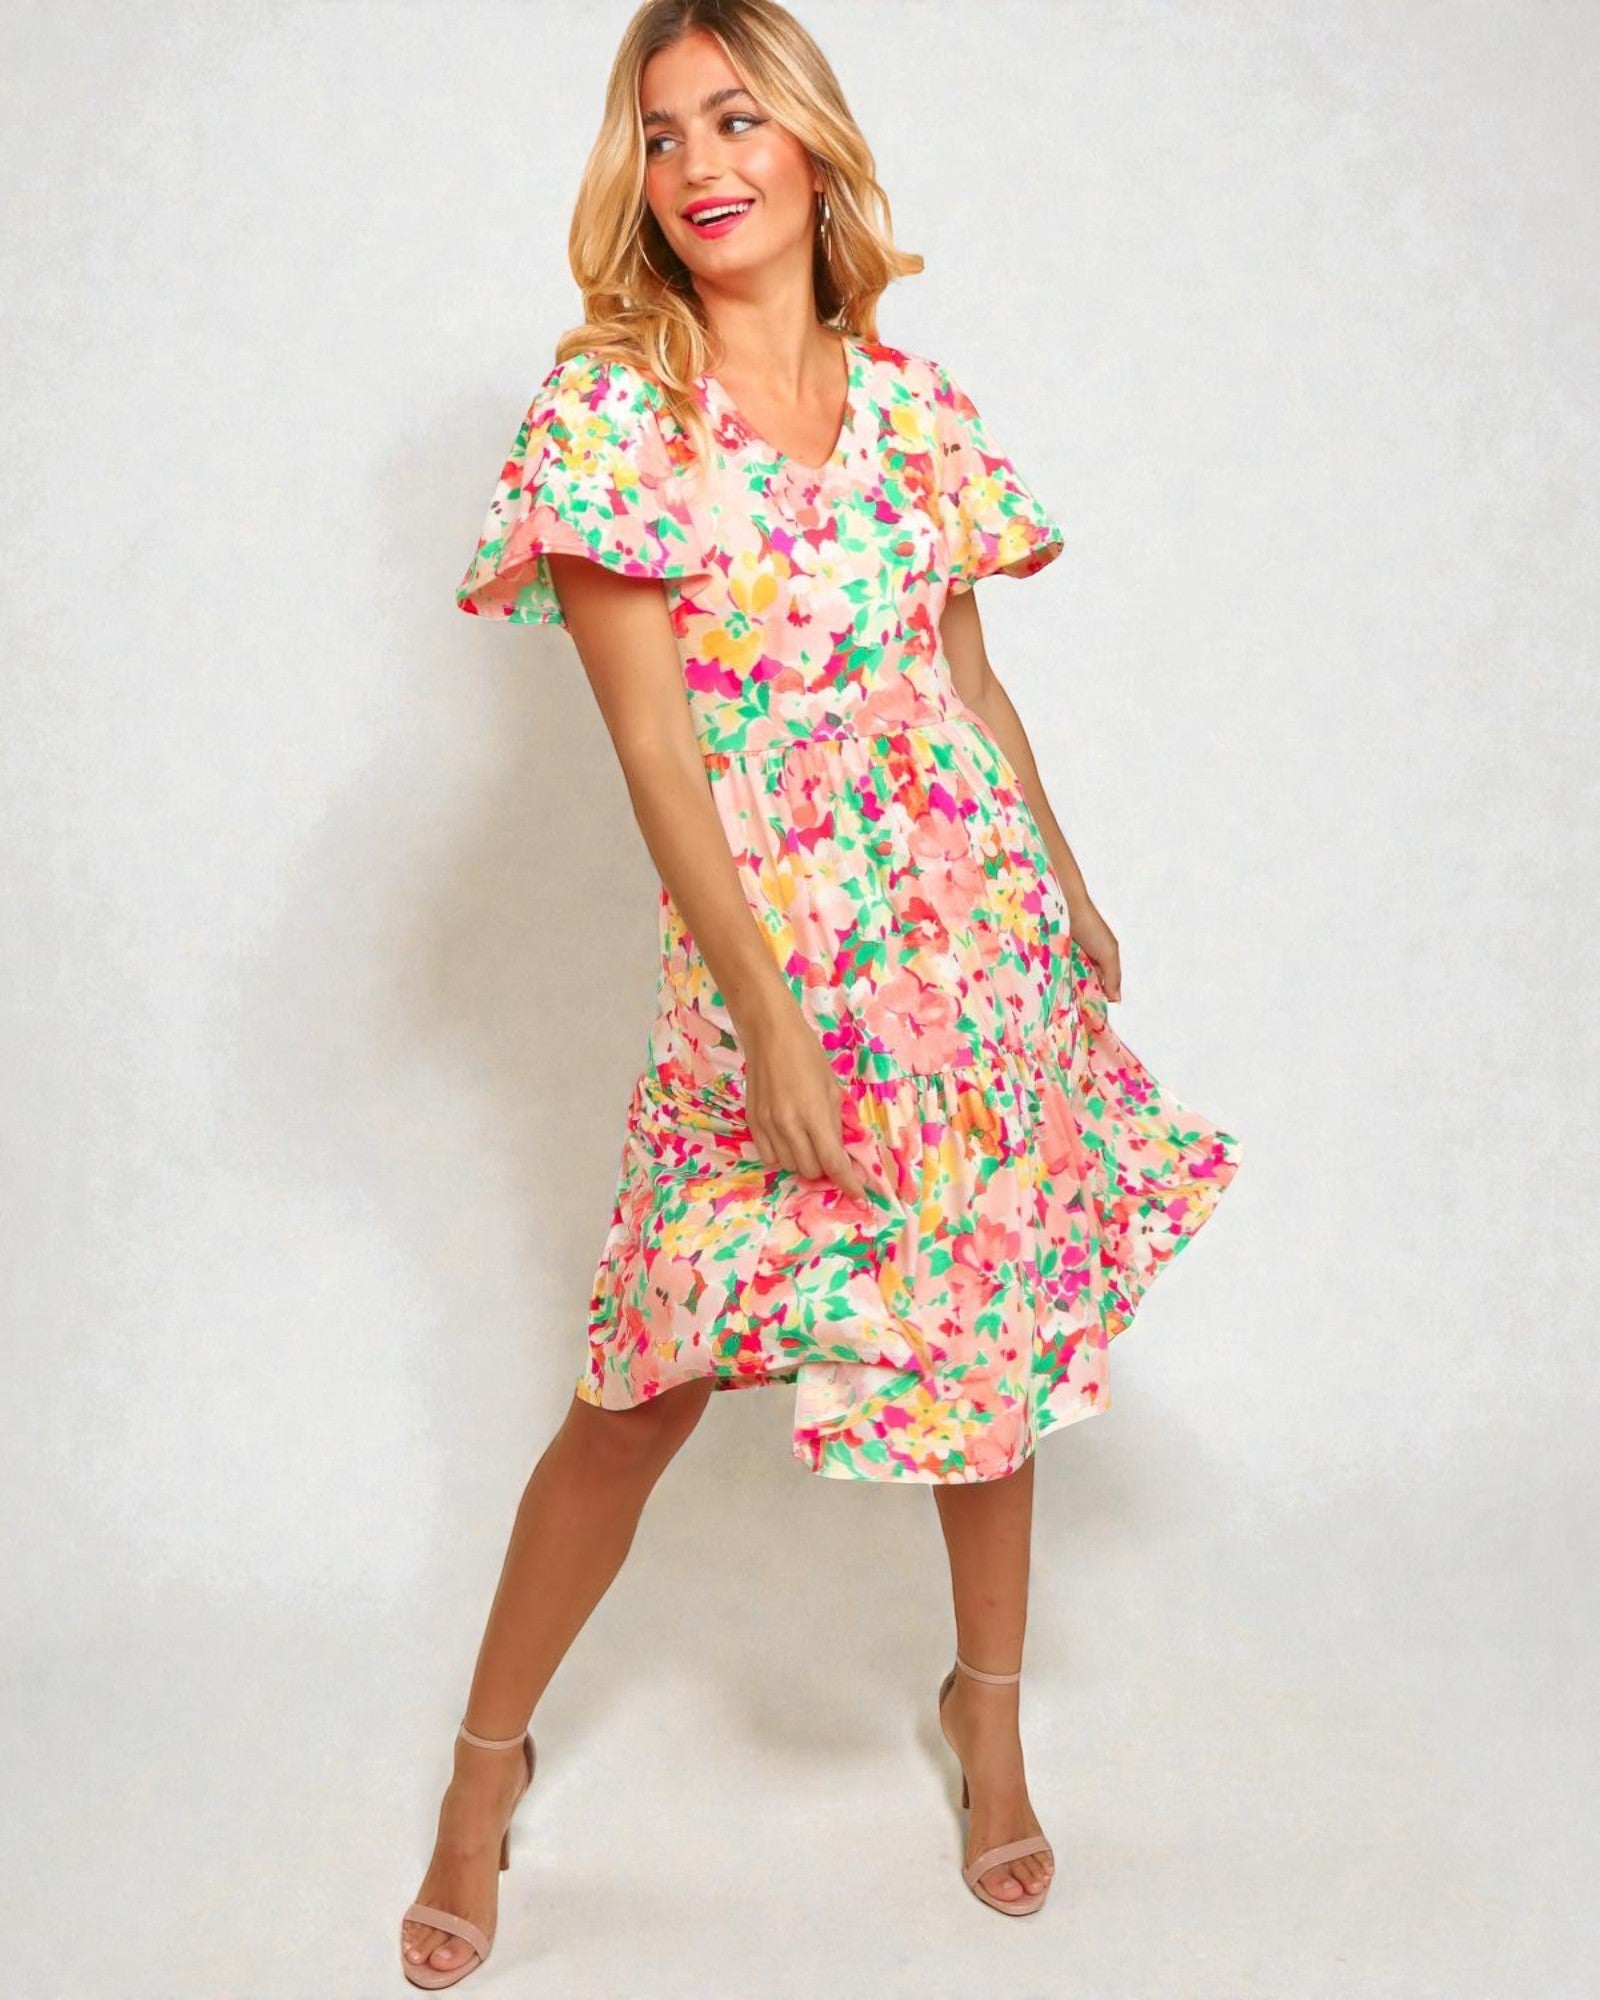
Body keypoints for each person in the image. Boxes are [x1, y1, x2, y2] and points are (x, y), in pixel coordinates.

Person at [402, 0, 1242, 1983]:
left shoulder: (915, 408)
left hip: (971, 951)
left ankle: (989, 1722)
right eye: (661, 131)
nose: (699, 161)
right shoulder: (610, 421)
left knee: (983, 1348)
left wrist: (1066, 880)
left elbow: (968, 687)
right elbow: (655, 755)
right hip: (767, 969)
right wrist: (771, 1016)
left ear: (808, 147)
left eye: (735, 118)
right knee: (639, 1386)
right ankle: (479, 1768)